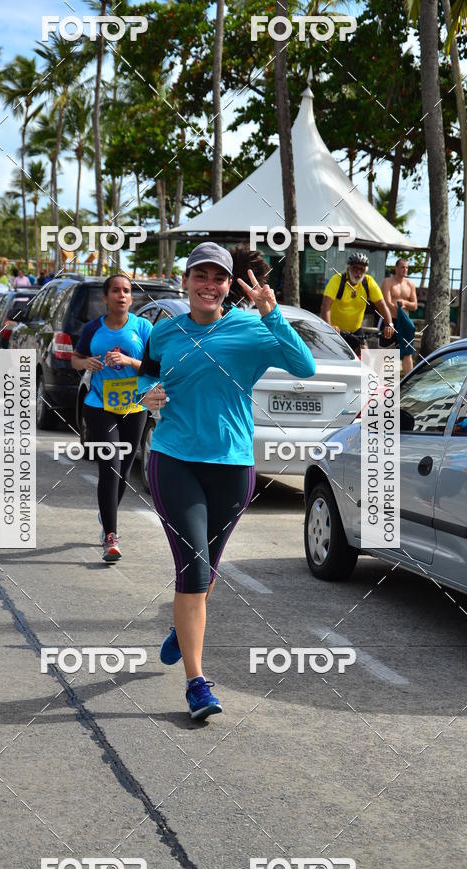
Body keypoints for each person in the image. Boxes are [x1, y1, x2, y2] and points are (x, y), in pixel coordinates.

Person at [137, 242, 316, 721]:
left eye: (219, 278)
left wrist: (273, 313)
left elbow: (305, 367)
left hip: (233, 467)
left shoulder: (251, 330)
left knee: (207, 571)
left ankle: (183, 625)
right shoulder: (164, 331)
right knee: (194, 569)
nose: (209, 285)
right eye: (201, 276)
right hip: (175, 460)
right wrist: (146, 394)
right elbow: (145, 377)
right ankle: (197, 683)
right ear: (187, 280)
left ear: (227, 286)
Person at [71, 274, 152, 562]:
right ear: (105, 298)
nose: (121, 295)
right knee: (111, 468)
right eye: (116, 291)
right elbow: (75, 358)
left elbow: (154, 368)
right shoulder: (93, 328)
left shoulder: (143, 327)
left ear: (132, 298)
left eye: (127, 291)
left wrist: (130, 361)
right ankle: (111, 537)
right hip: (99, 405)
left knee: (125, 473)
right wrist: (87, 363)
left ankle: (106, 515)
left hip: (134, 408)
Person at [320, 251, 394, 350]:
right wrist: (329, 326)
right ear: (348, 268)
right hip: (335, 330)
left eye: (362, 270)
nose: (358, 273)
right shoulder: (337, 280)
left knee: (366, 358)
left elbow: (382, 305)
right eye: (355, 268)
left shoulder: (368, 282)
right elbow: (326, 306)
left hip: (355, 330)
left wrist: (389, 324)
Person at [380, 259, 418, 373]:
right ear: (396, 268)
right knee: (387, 350)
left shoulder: (410, 284)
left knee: (407, 353)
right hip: (390, 320)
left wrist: (405, 303)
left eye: (406, 268)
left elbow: (415, 305)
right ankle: (385, 381)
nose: (404, 270)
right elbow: (386, 302)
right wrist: (396, 307)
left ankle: (408, 383)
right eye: (402, 267)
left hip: (404, 322)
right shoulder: (388, 281)